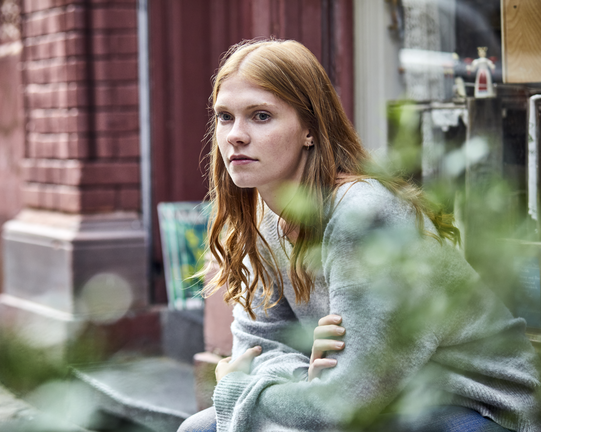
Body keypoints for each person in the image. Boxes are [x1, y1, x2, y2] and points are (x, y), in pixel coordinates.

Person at [178, 39, 540, 432]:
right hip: (383, 400)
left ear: (310, 130)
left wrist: (235, 387)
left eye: (261, 116)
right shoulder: (262, 219)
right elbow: (255, 348)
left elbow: (345, 403)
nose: (236, 135)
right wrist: (304, 375)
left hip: (471, 405)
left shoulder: (363, 215)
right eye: (225, 117)